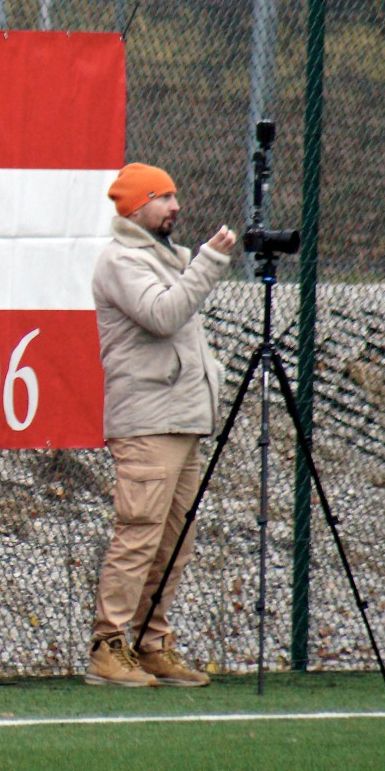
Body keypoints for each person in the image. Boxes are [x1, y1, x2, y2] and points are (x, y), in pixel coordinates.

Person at [88, 162, 237, 687]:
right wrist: (209, 261)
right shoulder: (122, 261)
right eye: (163, 197)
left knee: (175, 541)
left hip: (181, 422)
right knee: (138, 535)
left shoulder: (163, 258)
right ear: (137, 206)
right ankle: (109, 646)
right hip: (147, 424)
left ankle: (151, 644)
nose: (175, 206)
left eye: (174, 195)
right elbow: (164, 315)